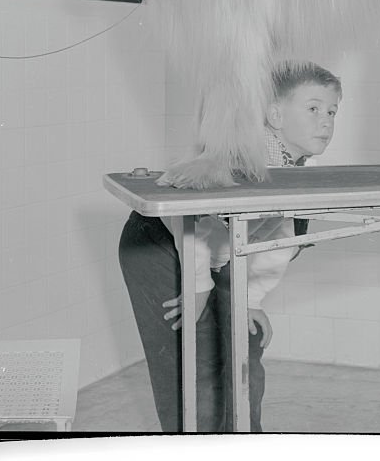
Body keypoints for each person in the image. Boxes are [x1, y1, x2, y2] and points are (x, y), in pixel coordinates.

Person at [118, 61, 342, 432]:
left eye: (332, 111)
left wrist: (250, 299)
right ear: (274, 114)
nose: (326, 121)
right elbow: (190, 218)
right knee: (194, 364)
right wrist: (199, 287)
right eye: (314, 108)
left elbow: (280, 240)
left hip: (222, 253)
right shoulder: (240, 153)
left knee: (244, 355)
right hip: (164, 241)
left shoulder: (300, 168)